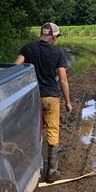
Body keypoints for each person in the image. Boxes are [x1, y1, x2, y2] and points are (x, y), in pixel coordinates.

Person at [14, 22, 72, 183]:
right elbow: (63, 79)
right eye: (56, 37)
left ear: (42, 34)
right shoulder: (57, 52)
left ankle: (34, 169)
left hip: (32, 96)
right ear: (53, 37)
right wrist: (68, 101)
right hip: (51, 97)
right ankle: (52, 171)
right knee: (53, 131)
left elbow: (15, 67)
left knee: (35, 130)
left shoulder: (28, 48)